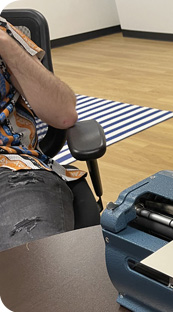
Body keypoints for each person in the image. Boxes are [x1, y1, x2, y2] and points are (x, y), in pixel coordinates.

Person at [0, 16, 96, 251]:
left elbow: (64, 115)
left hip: (12, 169)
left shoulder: (4, 33)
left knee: (32, 271)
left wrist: (4, 43)